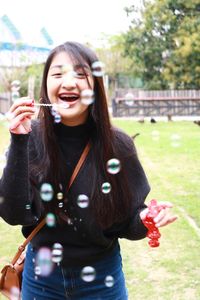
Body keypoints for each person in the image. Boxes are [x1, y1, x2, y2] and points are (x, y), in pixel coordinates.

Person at [0, 41, 177, 300]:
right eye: (58, 74)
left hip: (101, 279)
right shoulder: (31, 138)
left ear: (95, 86)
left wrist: (147, 219)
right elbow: (14, 214)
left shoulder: (118, 146)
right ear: (46, 86)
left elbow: (129, 222)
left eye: (81, 74)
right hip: (41, 280)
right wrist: (18, 140)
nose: (69, 83)